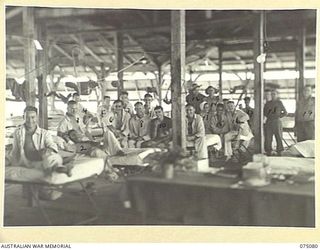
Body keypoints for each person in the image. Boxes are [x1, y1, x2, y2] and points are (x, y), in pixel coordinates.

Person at [7, 106, 63, 200]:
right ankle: (52, 180)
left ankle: (56, 174)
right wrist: (9, 161)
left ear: (36, 117)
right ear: (23, 117)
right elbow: (15, 150)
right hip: (25, 161)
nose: (30, 120)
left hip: (40, 161)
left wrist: (48, 150)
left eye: (33, 117)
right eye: (27, 117)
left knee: (51, 157)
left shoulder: (44, 133)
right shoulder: (17, 132)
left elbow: (52, 146)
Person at [58, 101, 125, 156]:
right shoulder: (64, 121)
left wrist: (92, 139)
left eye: (75, 108)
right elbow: (60, 134)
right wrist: (70, 142)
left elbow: (84, 130)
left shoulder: (77, 117)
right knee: (94, 149)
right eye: (72, 108)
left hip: (85, 139)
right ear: (67, 108)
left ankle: (118, 150)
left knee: (108, 133)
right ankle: (107, 152)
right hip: (78, 145)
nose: (74, 110)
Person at [263, 89, 287, 156]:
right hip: (269, 122)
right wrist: (269, 116)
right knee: (268, 137)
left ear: (277, 95)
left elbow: (285, 112)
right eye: (272, 94)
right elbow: (264, 112)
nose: (273, 95)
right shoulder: (267, 103)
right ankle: (268, 151)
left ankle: (279, 151)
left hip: (276, 122)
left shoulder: (279, 103)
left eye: (274, 94)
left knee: (278, 136)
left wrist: (278, 116)